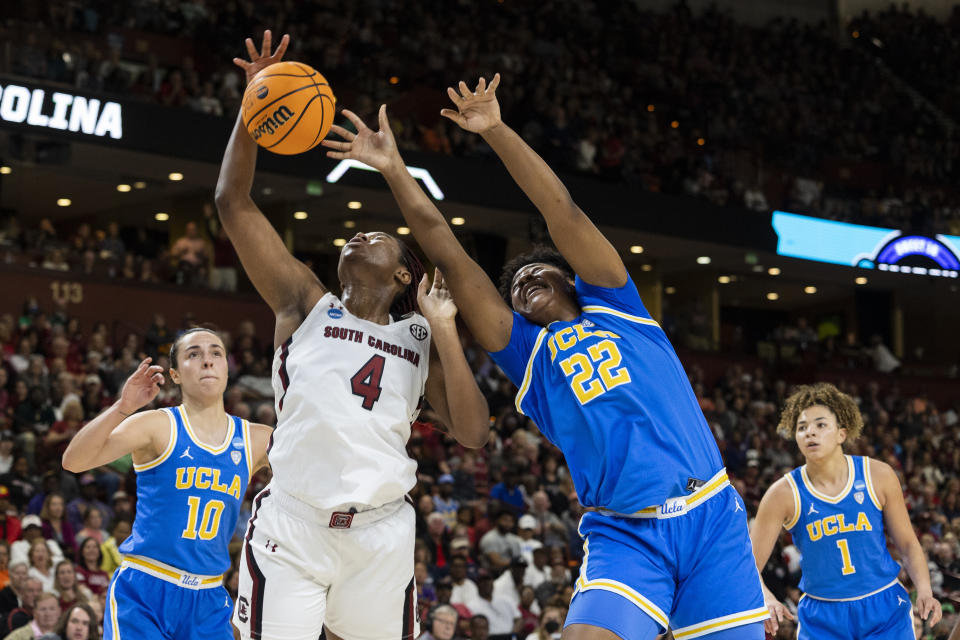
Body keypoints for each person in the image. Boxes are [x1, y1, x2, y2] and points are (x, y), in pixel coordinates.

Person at [325, 75, 768, 639]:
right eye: (514, 289)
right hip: (626, 534)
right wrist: (393, 169)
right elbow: (447, 250)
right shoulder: (526, 352)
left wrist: (496, 130)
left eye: (539, 271)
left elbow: (562, 210)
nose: (525, 280)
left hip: (711, 519)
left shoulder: (617, 304)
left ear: (571, 279)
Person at [216, 31, 489, 640]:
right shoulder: (304, 303)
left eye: (377, 236)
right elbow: (232, 204)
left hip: (380, 532)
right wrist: (252, 109)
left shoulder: (422, 335)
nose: (358, 236)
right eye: (354, 235)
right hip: (293, 522)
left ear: (402, 273)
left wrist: (445, 330)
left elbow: (473, 434)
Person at [61, 329, 273, 640]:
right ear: (174, 374)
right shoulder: (157, 425)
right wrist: (123, 407)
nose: (207, 361)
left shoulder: (257, 438)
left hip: (209, 597)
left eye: (216, 353)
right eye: (194, 354)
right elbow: (73, 461)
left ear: (227, 367)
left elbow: (320, 475)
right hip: (146, 590)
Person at [750, 382, 942, 639]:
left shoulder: (878, 475)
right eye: (802, 427)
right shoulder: (781, 494)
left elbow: (907, 543)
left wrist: (925, 590)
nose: (810, 433)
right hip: (822, 615)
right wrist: (766, 597)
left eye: (820, 425)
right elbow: (748, 563)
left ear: (842, 433)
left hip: (883, 607)